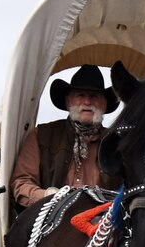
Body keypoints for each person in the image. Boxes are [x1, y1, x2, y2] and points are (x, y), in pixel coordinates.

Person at [10, 64, 120, 209]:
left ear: (104, 104)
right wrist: (48, 196)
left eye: (94, 96)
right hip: (51, 222)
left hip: (103, 223)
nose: (87, 102)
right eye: (81, 95)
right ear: (68, 101)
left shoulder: (117, 142)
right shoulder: (41, 135)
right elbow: (21, 182)